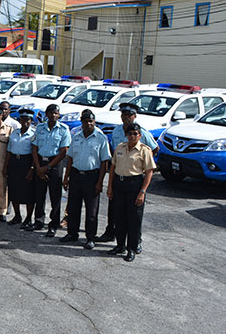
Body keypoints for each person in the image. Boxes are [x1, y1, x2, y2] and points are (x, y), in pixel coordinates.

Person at [96, 102, 159, 246]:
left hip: (134, 179)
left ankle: (135, 241)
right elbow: (114, 153)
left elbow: (155, 148)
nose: (126, 117)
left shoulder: (141, 131)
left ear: (135, 116)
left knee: (134, 214)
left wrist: (142, 166)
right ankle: (111, 233)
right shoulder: (117, 131)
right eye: (124, 114)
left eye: (129, 115)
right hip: (119, 177)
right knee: (115, 209)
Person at [61, 109, 111, 250]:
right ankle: (72, 233)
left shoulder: (101, 138)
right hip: (76, 175)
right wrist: (66, 177)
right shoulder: (76, 137)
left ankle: (90, 238)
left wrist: (100, 182)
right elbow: (70, 158)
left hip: (92, 177)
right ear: (81, 122)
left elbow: (104, 162)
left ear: (94, 122)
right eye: (85, 121)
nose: (88, 123)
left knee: (91, 211)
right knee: (73, 207)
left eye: (91, 121)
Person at [106, 123, 156, 262]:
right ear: (126, 135)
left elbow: (149, 172)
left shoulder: (144, 150)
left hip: (134, 185)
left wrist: (142, 192)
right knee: (119, 217)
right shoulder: (120, 148)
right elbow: (113, 168)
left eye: (135, 133)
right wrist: (110, 187)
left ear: (140, 135)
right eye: (130, 134)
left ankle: (131, 248)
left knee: (134, 219)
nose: (132, 136)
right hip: (119, 184)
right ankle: (120, 245)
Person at [32, 103, 71, 237]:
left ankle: (53, 224)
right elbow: (35, 148)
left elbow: (63, 152)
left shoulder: (64, 129)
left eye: (56, 113)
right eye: (51, 113)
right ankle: (38, 221)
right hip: (41, 161)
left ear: (58, 115)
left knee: (55, 196)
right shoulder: (40, 128)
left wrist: (47, 167)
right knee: (39, 194)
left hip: (55, 164)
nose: (53, 115)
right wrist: (38, 167)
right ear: (46, 114)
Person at [5, 108, 36, 228]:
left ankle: (28, 218)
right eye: (23, 119)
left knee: (28, 192)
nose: (25, 122)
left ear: (31, 120)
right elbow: (8, 150)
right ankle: (17, 215)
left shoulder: (34, 134)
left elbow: (34, 153)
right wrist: (6, 167)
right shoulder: (14, 133)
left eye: (27, 119)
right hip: (14, 162)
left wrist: (32, 168)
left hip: (26, 162)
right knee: (13, 190)